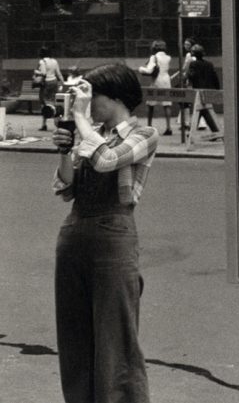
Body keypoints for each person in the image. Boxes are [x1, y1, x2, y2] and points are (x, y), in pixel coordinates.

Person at [50, 63, 159, 402]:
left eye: (91, 96)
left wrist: (81, 123)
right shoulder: (91, 132)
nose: (86, 103)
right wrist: (66, 151)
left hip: (113, 236)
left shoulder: (144, 134)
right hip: (74, 233)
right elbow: (64, 188)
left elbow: (108, 160)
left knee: (116, 338)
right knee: (75, 336)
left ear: (113, 96)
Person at [138, 39, 174, 135]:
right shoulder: (168, 57)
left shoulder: (154, 57)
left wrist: (141, 69)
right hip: (166, 80)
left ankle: (149, 126)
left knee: (151, 103)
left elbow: (149, 71)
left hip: (157, 80)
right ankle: (169, 127)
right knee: (167, 103)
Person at [184, 43, 220, 133]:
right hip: (208, 90)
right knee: (204, 110)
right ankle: (215, 131)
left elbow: (191, 75)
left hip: (198, 91)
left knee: (200, 110)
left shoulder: (193, 64)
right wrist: (217, 89)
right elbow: (215, 77)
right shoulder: (209, 64)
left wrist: (187, 74)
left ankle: (191, 131)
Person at [34, 46, 64, 132]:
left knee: (44, 103)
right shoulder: (54, 61)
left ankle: (44, 124)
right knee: (54, 102)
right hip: (54, 82)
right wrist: (63, 82)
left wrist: (36, 72)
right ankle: (58, 123)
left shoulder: (42, 62)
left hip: (46, 83)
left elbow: (43, 73)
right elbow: (58, 73)